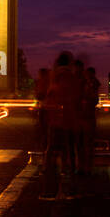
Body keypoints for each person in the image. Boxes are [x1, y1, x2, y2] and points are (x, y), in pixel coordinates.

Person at [41, 52, 79, 198]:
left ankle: (47, 166)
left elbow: (49, 93)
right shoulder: (69, 76)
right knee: (67, 146)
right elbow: (71, 95)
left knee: (51, 145)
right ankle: (65, 169)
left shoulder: (53, 75)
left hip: (54, 115)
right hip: (67, 117)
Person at [79, 65, 101, 175]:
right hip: (88, 115)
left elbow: (93, 99)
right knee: (87, 142)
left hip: (87, 115)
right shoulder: (92, 84)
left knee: (86, 142)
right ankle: (87, 166)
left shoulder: (91, 85)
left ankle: (86, 166)